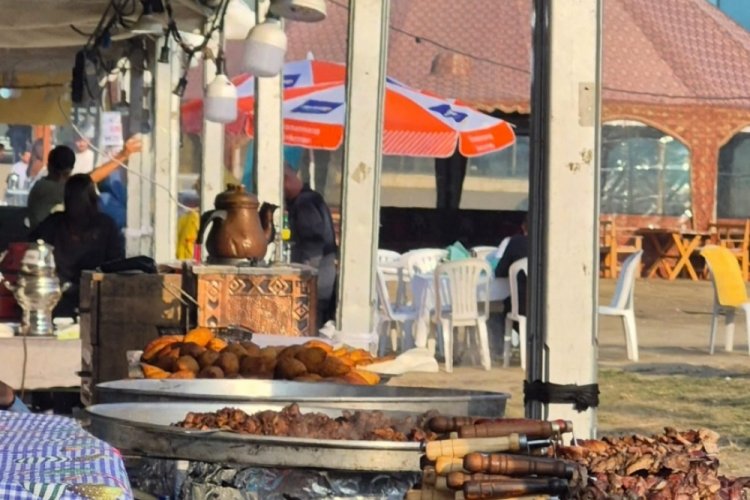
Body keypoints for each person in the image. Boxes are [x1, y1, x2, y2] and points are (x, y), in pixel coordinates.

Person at [30, 174, 125, 318]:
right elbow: (32, 250)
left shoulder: (105, 226)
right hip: (59, 300)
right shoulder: (54, 223)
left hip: (94, 300)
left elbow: (116, 266)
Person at [26, 136, 141, 230]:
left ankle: (136, 214)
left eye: (65, 175)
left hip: (66, 234)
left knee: (108, 182)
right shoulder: (46, 188)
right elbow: (89, 178)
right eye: (61, 174)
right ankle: (136, 217)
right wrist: (124, 154)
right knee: (105, 199)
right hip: (52, 240)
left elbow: (89, 178)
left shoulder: (50, 186)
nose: (62, 177)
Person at [283, 166, 338, 329]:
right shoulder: (312, 199)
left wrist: (304, 281)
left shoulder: (304, 205)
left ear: (285, 181)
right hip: (323, 277)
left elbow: (313, 247)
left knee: (310, 328)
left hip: (317, 282)